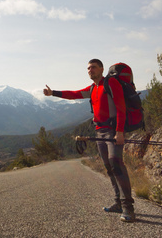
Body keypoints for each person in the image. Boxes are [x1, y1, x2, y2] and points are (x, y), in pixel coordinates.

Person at [43, 58, 135, 222]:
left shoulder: (111, 83)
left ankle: (128, 207)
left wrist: (120, 132)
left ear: (101, 69)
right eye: (88, 68)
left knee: (116, 163)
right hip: (99, 132)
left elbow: (121, 108)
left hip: (113, 131)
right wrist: (53, 93)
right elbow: (75, 94)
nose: (90, 70)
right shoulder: (93, 88)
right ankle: (118, 203)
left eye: (93, 67)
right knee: (108, 167)